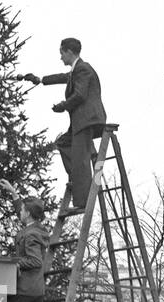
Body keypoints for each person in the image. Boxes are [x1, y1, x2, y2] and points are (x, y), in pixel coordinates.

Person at [19, 38, 107, 210]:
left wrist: (62, 106)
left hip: (87, 120)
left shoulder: (83, 69)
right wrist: (40, 80)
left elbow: (80, 95)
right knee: (64, 144)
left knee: (80, 160)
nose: (60, 58)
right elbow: (64, 77)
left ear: (69, 52)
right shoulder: (77, 70)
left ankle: (82, 202)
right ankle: (76, 177)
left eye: (61, 53)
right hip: (82, 121)